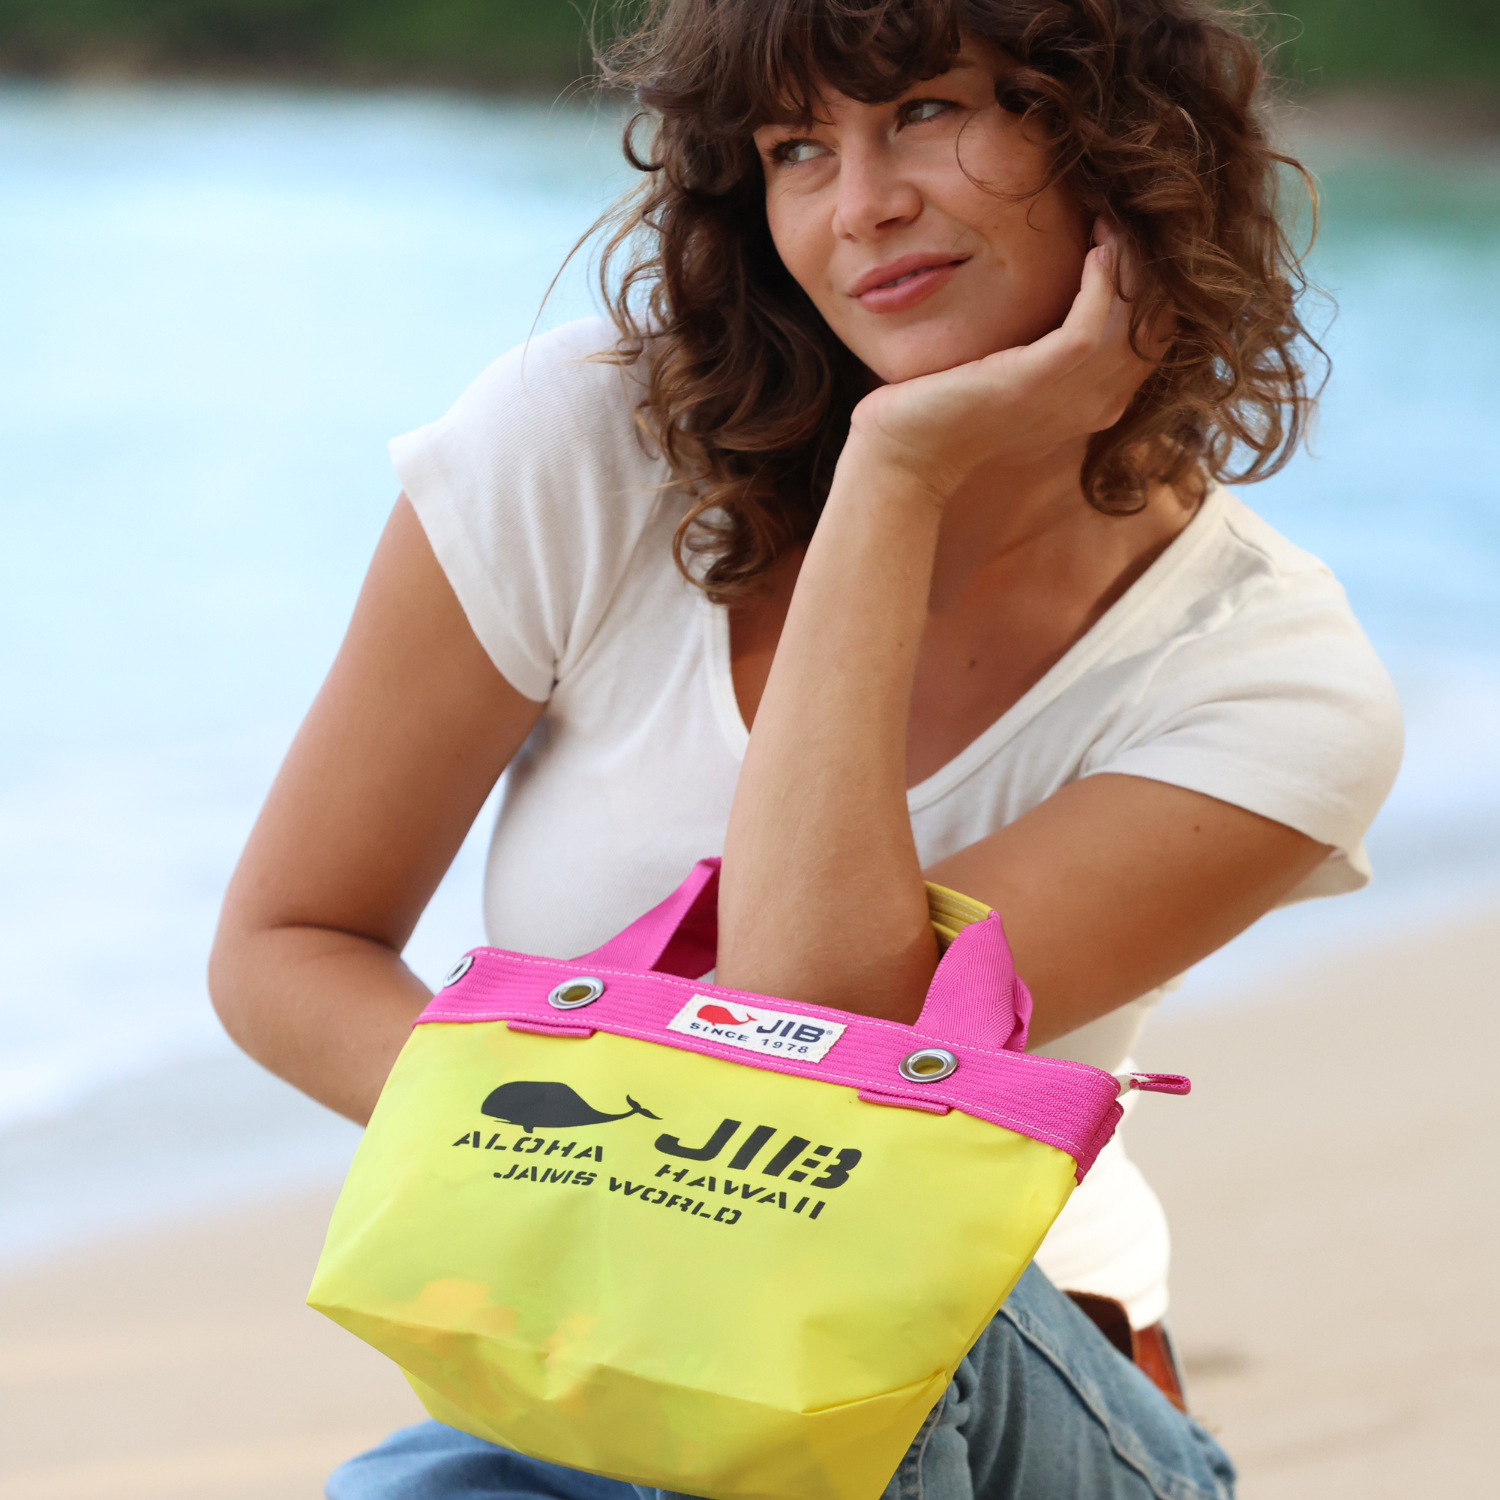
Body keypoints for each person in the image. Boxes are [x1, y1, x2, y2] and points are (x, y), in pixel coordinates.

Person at [209, 0, 1402, 1496]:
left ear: (1120, 136)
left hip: (989, 1399)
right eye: (795, 147)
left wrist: (896, 474)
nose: (863, 203)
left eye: (925, 109)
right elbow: (286, 940)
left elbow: (817, 1055)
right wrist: (571, 1167)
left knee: (839, 1243)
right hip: (611, 1360)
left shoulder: (1271, 686)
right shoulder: (585, 449)